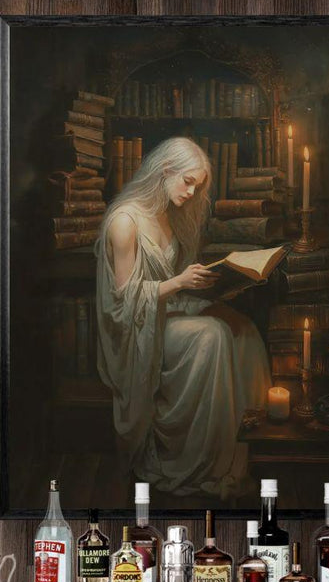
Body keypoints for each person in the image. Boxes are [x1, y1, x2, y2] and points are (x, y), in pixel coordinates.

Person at [94, 136, 271, 499]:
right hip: (137, 331)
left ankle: (243, 435)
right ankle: (199, 457)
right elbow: (125, 301)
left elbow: (166, 287)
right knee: (212, 334)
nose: (192, 192)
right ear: (164, 171)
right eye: (188, 181)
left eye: (198, 185)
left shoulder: (164, 214)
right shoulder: (124, 222)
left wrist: (213, 286)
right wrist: (179, 281)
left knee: (241, 326)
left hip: (165, 311)